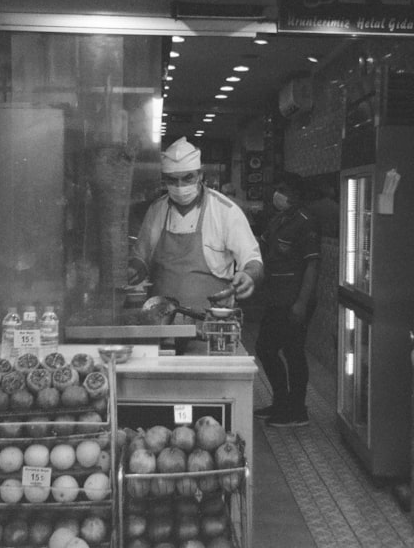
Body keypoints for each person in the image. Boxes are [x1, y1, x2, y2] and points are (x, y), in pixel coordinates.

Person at [128, 137, 263, 317]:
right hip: (160, 322)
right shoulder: (156, 210)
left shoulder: (225, 211)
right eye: (172, 180)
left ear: (200, 175)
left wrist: (249, 275)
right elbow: (141, 257)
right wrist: (133, 270)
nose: (180, 186)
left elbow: (252, 260)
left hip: (210, 324)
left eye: (187, 178)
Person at [254, 172, 321, 427]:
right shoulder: (278, 220)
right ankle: (281, 402)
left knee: (293, 352)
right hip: (275, 298)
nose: (277, 194)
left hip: (294, 300)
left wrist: (301, 303)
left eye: (282, 188)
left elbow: (312, 265)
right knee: (266, 348)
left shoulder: (306, 222)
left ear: (295, 194)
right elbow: (261, 247)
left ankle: (297, 410)